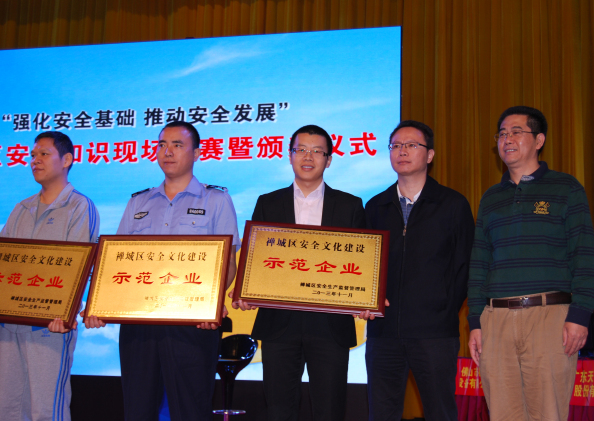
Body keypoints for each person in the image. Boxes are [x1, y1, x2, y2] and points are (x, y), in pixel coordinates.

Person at [84, 121, 240, 421]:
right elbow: (116, 262)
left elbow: (228, 264)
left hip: (193, 323)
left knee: (191, 410)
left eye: (177, 145)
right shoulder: (138, 202)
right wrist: (98, 306)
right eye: (162, 145)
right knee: (138, 410)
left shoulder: (216, 200)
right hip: (139, 324)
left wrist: (210, 305)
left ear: (197, 153)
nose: (167, 152)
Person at [467, 106, 594, 421]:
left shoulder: (566, 188)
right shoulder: (491, 198)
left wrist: (580, 315)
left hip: (549, 317)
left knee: (547, 413)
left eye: (516, 132)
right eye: (501, 134)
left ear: (539, 140)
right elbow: (479, 263)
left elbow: (584, 254)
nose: (506, 139)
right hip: (496, 319)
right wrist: (475, 322)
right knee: (503, 413)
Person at [233, 124, 366, 421]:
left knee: (330, 410)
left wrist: (366, 297)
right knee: (279, 410)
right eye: (301, 150)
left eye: (317, 151)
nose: (308, 157)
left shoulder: (350, 206)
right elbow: (258, 257)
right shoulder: (268, 203)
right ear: (290, 155)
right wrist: (247, 290)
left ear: (329, 160)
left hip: (330, 324)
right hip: (279, 323)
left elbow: (359, 263)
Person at [359, 120, 475, 421]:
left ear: (430, 155)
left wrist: (443, 310)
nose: (402, 151)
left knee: (440, 412)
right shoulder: (375, 207)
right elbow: (363, 266)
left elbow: (465, 266)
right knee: (382, 413)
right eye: (396, 146)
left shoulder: (452, 205)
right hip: (384, 333)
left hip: (435, 333)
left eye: (411, 145)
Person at [0, 131, 100, 421]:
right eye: (33, 155)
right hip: (9, 324)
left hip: (50, 327)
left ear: (66, 160)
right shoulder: (21, 208)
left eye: (44, 154)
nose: (35, 160)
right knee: (7, 407)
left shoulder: (80, 206)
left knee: (46, 410)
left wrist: (64, 311)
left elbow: (80, 266)